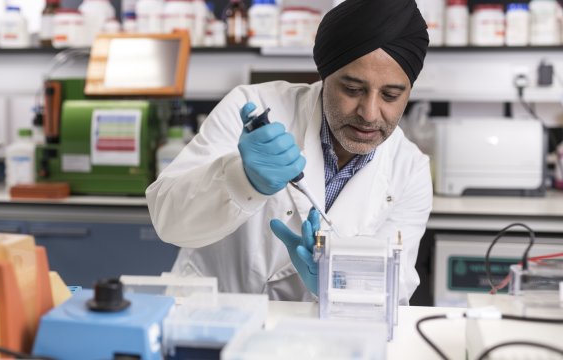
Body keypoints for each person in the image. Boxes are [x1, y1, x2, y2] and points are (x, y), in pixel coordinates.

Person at [146, 0, 432, 304]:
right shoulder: (253, 107)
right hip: (211, 319)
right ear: (324, 77)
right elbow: (168, 219)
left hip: (316, 337)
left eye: (390, 95)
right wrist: (242, 181)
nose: (369, 113)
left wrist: (337, 283)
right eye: (352, 89)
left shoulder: (409, 168)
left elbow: (395, 284)